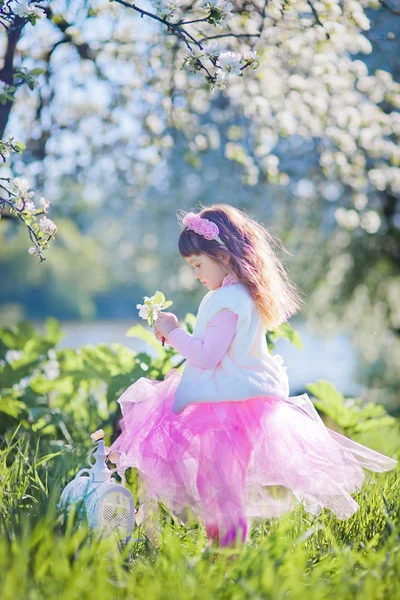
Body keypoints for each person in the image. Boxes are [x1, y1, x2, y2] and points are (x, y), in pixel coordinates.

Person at [108, 204, 397, 549]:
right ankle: (221, 549)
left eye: (199, 265)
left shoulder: (229, 300)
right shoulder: (234, 296)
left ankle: (229, 554)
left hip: (229, 405)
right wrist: (180, 335)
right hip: (230, 399)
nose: (197, 275)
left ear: (224, 256)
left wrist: (173, 332)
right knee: (213, 483)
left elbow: (206, 354)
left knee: (223, 486)